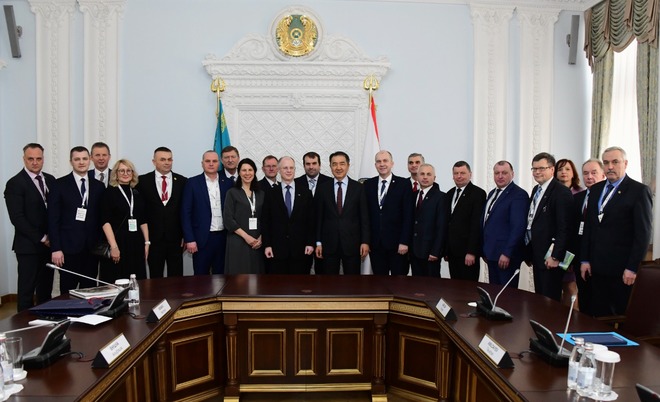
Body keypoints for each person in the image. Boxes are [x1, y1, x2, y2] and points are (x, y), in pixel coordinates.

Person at [580, 146, 652, 317]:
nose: (610, 167)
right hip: (596, 268)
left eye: (615, 162)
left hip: (622, 270)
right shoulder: (596, 190)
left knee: (620, 315)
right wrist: (585, 259)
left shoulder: (638, 191)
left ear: (625, 164)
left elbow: (643, 234)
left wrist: (632, 268)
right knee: (597, 315)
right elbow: (589, 227)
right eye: (606, 163)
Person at [4, 143, 56, 311]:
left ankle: (45, 321)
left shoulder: (50, 180)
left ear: (43, 159)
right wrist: (42, 238)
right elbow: (17, 218)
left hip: (48, 247)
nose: (35, 162)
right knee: (26, 292)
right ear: (24, 159)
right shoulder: (15, 183)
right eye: (30, 159)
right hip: (28, 247)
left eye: (38, 159)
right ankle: (22, 325)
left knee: (45, 290)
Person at [48, 146, 104, 293]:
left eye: (84, 158)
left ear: (90, 160)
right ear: (71, 162)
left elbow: (101, 218)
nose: (81, 162)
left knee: (90, 291)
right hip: (67, 250)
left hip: (91, 250)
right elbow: (53, 219)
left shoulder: (99, 186)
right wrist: (56, 248)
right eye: (77, 159)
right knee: (68, 291)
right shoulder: (59, 185)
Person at [526, 152, 573, 301]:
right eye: (534, 169)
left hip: (551, 257)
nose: (537, 172)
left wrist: (555, 256)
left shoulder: (561, 192)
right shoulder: (536, 190)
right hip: (537, 255)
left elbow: (564, 228)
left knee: (550, 300)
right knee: (540, 298)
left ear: (552, 169)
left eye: (541, 168)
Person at [315, 151, 370, 275]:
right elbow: (319, 218)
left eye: (342, 164)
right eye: (334, 164)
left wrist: (365, 241)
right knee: (329, 282)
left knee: (353, 282)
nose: (338, 167)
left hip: (352, 245)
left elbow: (364, 218)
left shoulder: (359, 188)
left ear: (348, 165)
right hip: (329, 245)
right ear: (330, 167)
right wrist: (318, 242)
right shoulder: (323, 188)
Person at [136, 147, 187, 278]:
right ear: (154, 162)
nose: (167, 162)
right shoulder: (142, 181)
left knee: (176, 278)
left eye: (169, 159)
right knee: (155, 277)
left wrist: (185, 235)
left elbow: (185, 211)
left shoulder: (182, 181)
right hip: (153, 239)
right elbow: (139, 211)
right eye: (163, 159)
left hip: (176, 239)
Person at [181, 151, 233, 275]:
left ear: (219, 163)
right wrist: (190, 239)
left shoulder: (228, 183)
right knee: (201, 277)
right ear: (202, 163)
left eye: (214, 161)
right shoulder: (192, 183)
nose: (211, 164)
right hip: (202, 239)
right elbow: (185, 212)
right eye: (207, 161)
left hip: (223, 238)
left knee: (221, 276)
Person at [262, 156, 315, 274]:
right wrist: (267, 245)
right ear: (279, 170)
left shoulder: (306, 192)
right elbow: (266, 221)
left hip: (302, 250)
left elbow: (311, 221)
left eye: (291, 168)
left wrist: (310, 243)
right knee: (279, 283)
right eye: (285, 168)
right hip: (277, 250)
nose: (289, 170)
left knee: (301, 283)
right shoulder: (270, 193)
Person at [99, 159, 149, 283]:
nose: (125, 173)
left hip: (136, 244)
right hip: (118, 243)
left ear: (133, 173)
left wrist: (147, 243)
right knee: (116, 280)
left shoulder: (137, 193)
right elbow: (105, 222)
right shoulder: (109, 193)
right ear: (116, 173)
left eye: (128, 171)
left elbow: (143, 220)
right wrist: (114, 246)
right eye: (121, 171)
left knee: (137, 281)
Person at [364, 150, 412, 276]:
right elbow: (365, 216)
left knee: (399, 282)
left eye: (385, 161)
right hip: (376, 245)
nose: (382, 164)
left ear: (392, 163)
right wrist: (366, 241)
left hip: (398, 245)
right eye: (379, 161)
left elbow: (408, 215)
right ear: (375, 165)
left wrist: (404, 241)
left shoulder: (404, 184)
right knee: (379, 282)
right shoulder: (368, 184)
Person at [481, 161, 529, 287]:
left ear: (512, 174)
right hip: (491, 253)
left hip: (506, 256)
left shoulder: (519, 194)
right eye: (497, 173)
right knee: (494, 292)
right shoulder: (492, 193)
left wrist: (507, 253)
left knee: (507, 295)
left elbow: (518, 227)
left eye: (504, 173)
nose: (500, 176)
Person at [572, 158, 606, 315]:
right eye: (585, 173)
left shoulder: (606, 198)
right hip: (579, 257)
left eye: (594, 173)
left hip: (600, 259)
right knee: (584, 299)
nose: (589, 177)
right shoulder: (578, 198)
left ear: (603, 174)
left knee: (599, 303)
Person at [445, 161, 486, 281]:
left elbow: (476, 225)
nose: (459, 176)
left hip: (467, 253)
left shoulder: (478, 193)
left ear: (470, 174)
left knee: (468, 288)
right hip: (452, 252)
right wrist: (446, 250)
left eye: (462, 173)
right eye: (456, 173)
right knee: (455, 286)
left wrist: (472, 252)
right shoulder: (449, 194)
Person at [224, 158, 266, 274]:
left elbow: (266, 218)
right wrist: (246, 237)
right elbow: (228, 219)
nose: (247, 173)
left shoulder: (261, 194)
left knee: (257, 276)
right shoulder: (232, 192)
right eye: (244, 170)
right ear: (239, 172)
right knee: (239, 277)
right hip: (238, 240)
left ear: (255, 172)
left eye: (250, 170)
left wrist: (261, 237)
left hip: (257, 242)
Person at [554, 158, 583, 307]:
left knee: (570, 287)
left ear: (573, 173)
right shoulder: (553, 192)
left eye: (567, 169)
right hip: (554, 248)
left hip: (571, 248)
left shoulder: (580, 193)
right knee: (555, 287)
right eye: (560, 169)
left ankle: (571, 317)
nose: (563, 172)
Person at [410, 164, 446, 277]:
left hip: (430, 252)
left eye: (428, 174)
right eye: (422, 174)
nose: (425, 177)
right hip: (414, 251)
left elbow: (441, 227)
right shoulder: (413, 195)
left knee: (431, 285)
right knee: (416, 284)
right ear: (417, 177)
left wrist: (436, 251)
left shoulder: (441, 197)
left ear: (434, 178)